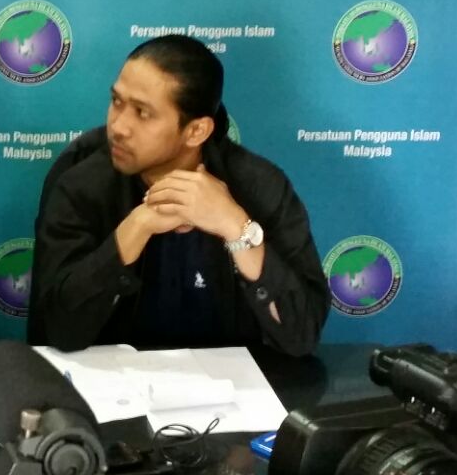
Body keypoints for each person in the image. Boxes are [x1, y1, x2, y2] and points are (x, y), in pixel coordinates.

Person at [29, 35, 329, 355]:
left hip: (230, 380)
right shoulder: (82, 183)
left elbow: (302, 335)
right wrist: (135, 229)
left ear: (196, 131)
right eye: (116, 102)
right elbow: (57, 332)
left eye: (142, 113)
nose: (118, 127)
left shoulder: (259, 186)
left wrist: (237, 229)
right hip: (112, 380)